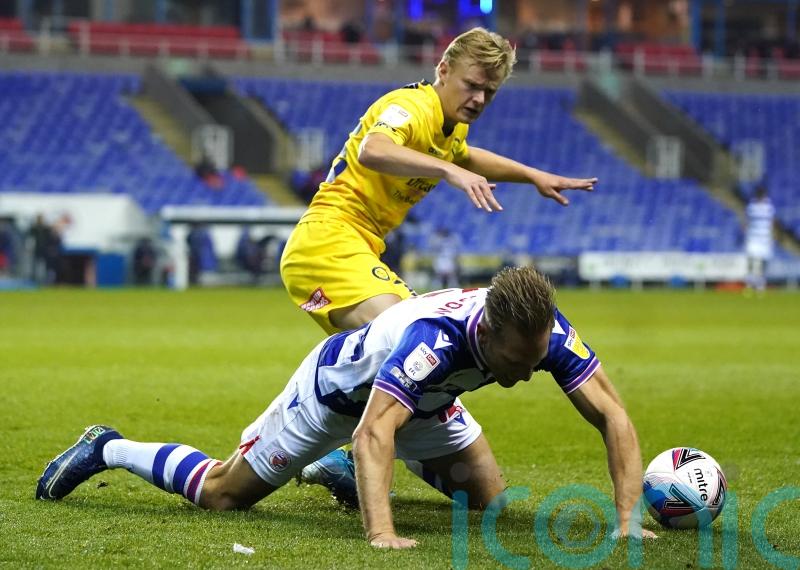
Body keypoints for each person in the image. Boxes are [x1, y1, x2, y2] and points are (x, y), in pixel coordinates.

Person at [37, 267, 656, 548]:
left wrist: (627, 518)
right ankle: (108, 446)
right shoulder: (430, 344)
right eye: (518, 361)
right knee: (226, 495)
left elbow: (613, 415)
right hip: (340, 400)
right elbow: (371, 432)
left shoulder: (539, 329)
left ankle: (338, 477)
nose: (528, 373)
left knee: (491, 507)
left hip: (433, 404)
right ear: (488, 335)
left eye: (537, 357)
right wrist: (382, 534)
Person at [279, 27, 597, 336]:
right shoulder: (411, 107)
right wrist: (448, 171)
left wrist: (532, 176)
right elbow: (372, 149)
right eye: (471, 85)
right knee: (409, 337)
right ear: (443, 70)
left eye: (489, 92)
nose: (478, 99)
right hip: (327, 241)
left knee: (420, 350)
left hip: (358, 246)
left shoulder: (453, 126)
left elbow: (465, 156)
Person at [744, 185, 775, 293]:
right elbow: (747, 221)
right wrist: (747, 233)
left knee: (763, 262)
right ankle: (750, 283)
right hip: (753, 236)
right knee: (751, 260)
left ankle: (760, 284)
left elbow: (770, 223)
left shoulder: (768, 206)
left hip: (764, 237)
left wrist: (771, 236)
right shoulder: (752, 206)